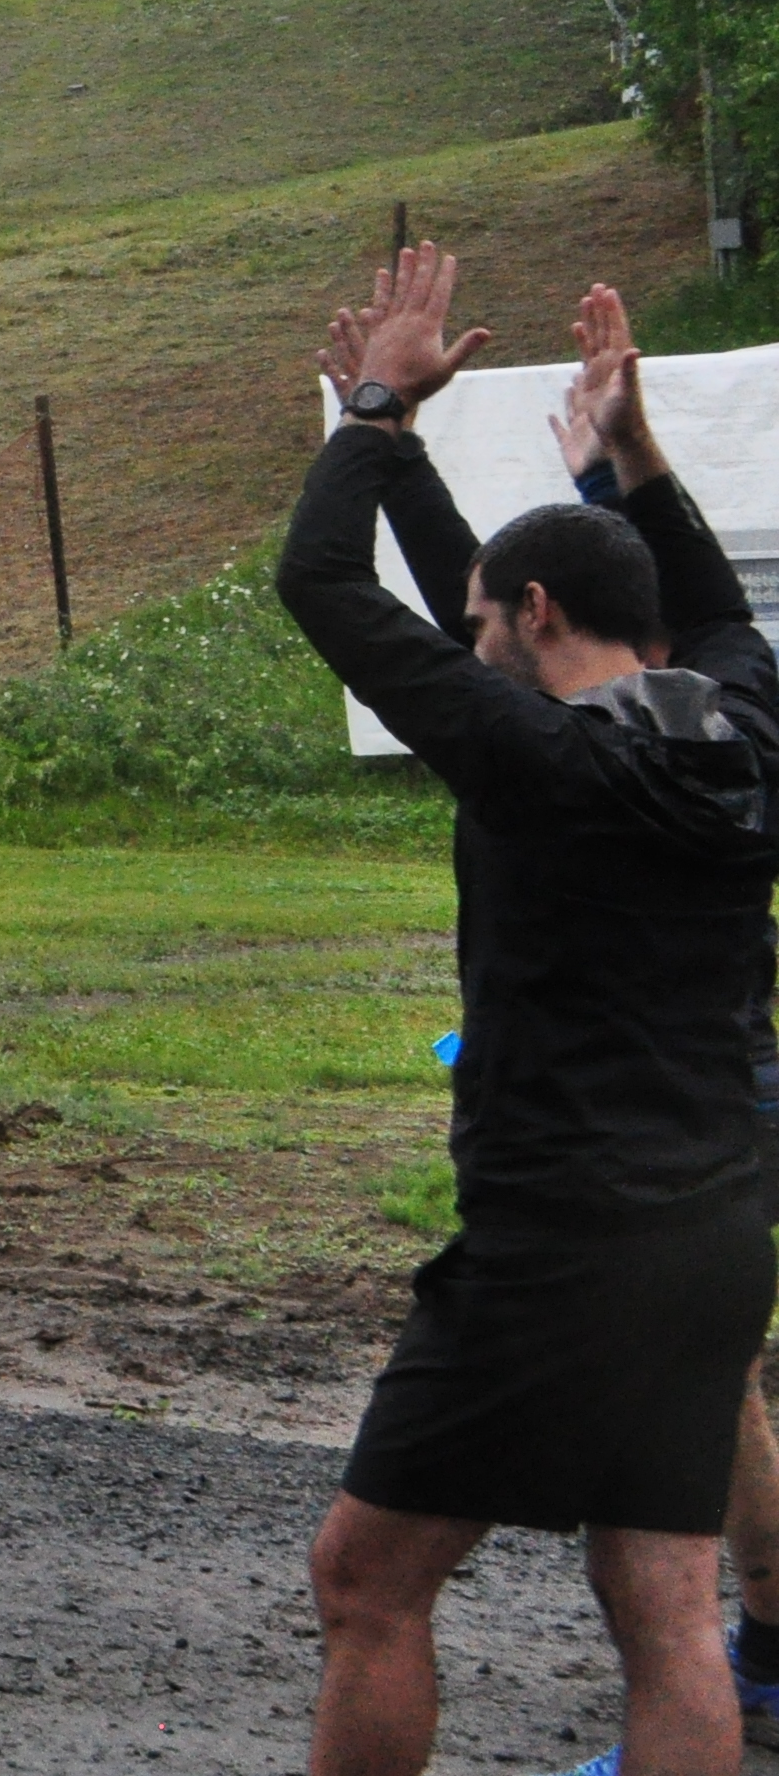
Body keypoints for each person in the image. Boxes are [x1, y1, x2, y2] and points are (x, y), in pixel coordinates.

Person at [277, 250, 779, 1776]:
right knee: (667, 1607)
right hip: (715, 1227)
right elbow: (670, 601)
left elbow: (322, 580)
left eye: (491, 617)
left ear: (539, 611)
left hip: (559, 1237)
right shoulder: (748, 721)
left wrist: (371, 410)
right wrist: (627, 447)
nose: (466, 634)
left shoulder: (539, 770)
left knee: (366, 1581)